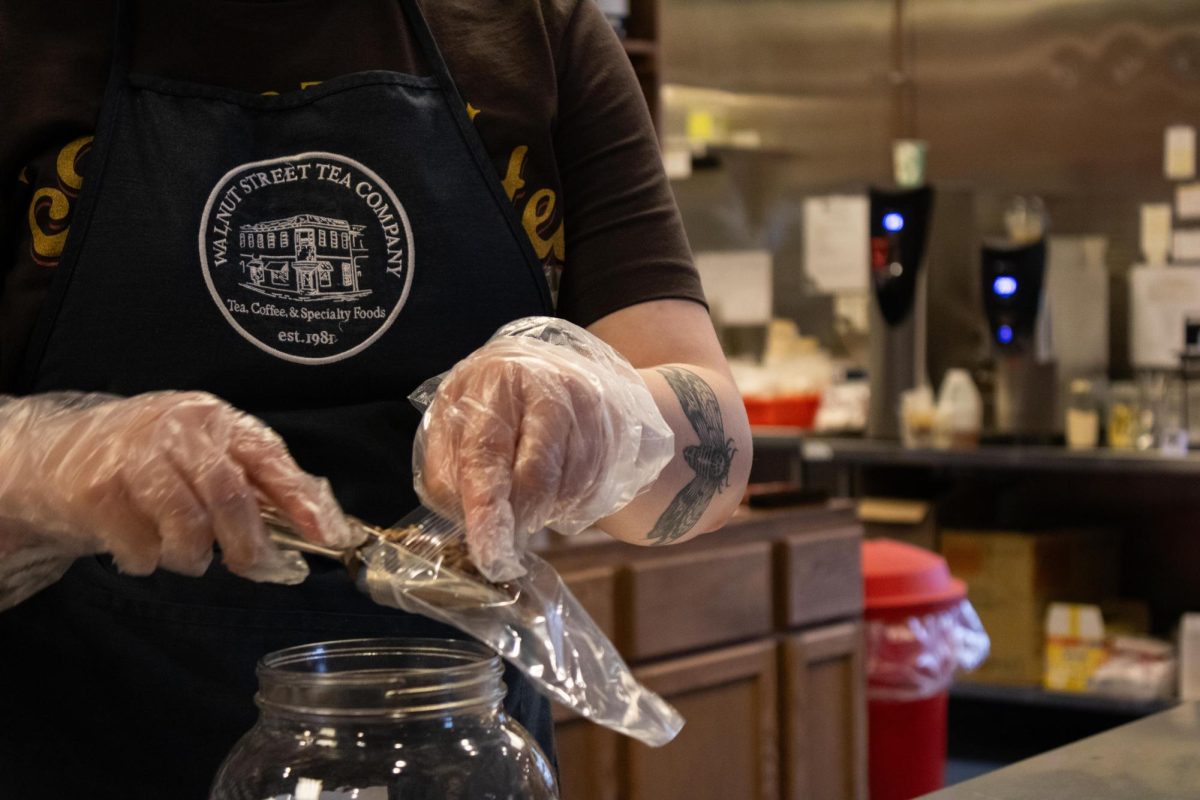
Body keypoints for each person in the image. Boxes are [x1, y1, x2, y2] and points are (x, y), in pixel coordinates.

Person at [0, 0, 752, 796]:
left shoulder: (534, 30)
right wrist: (39, 468)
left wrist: (608, 420)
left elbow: (719, 457)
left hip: (457, 752)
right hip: (71, 741)